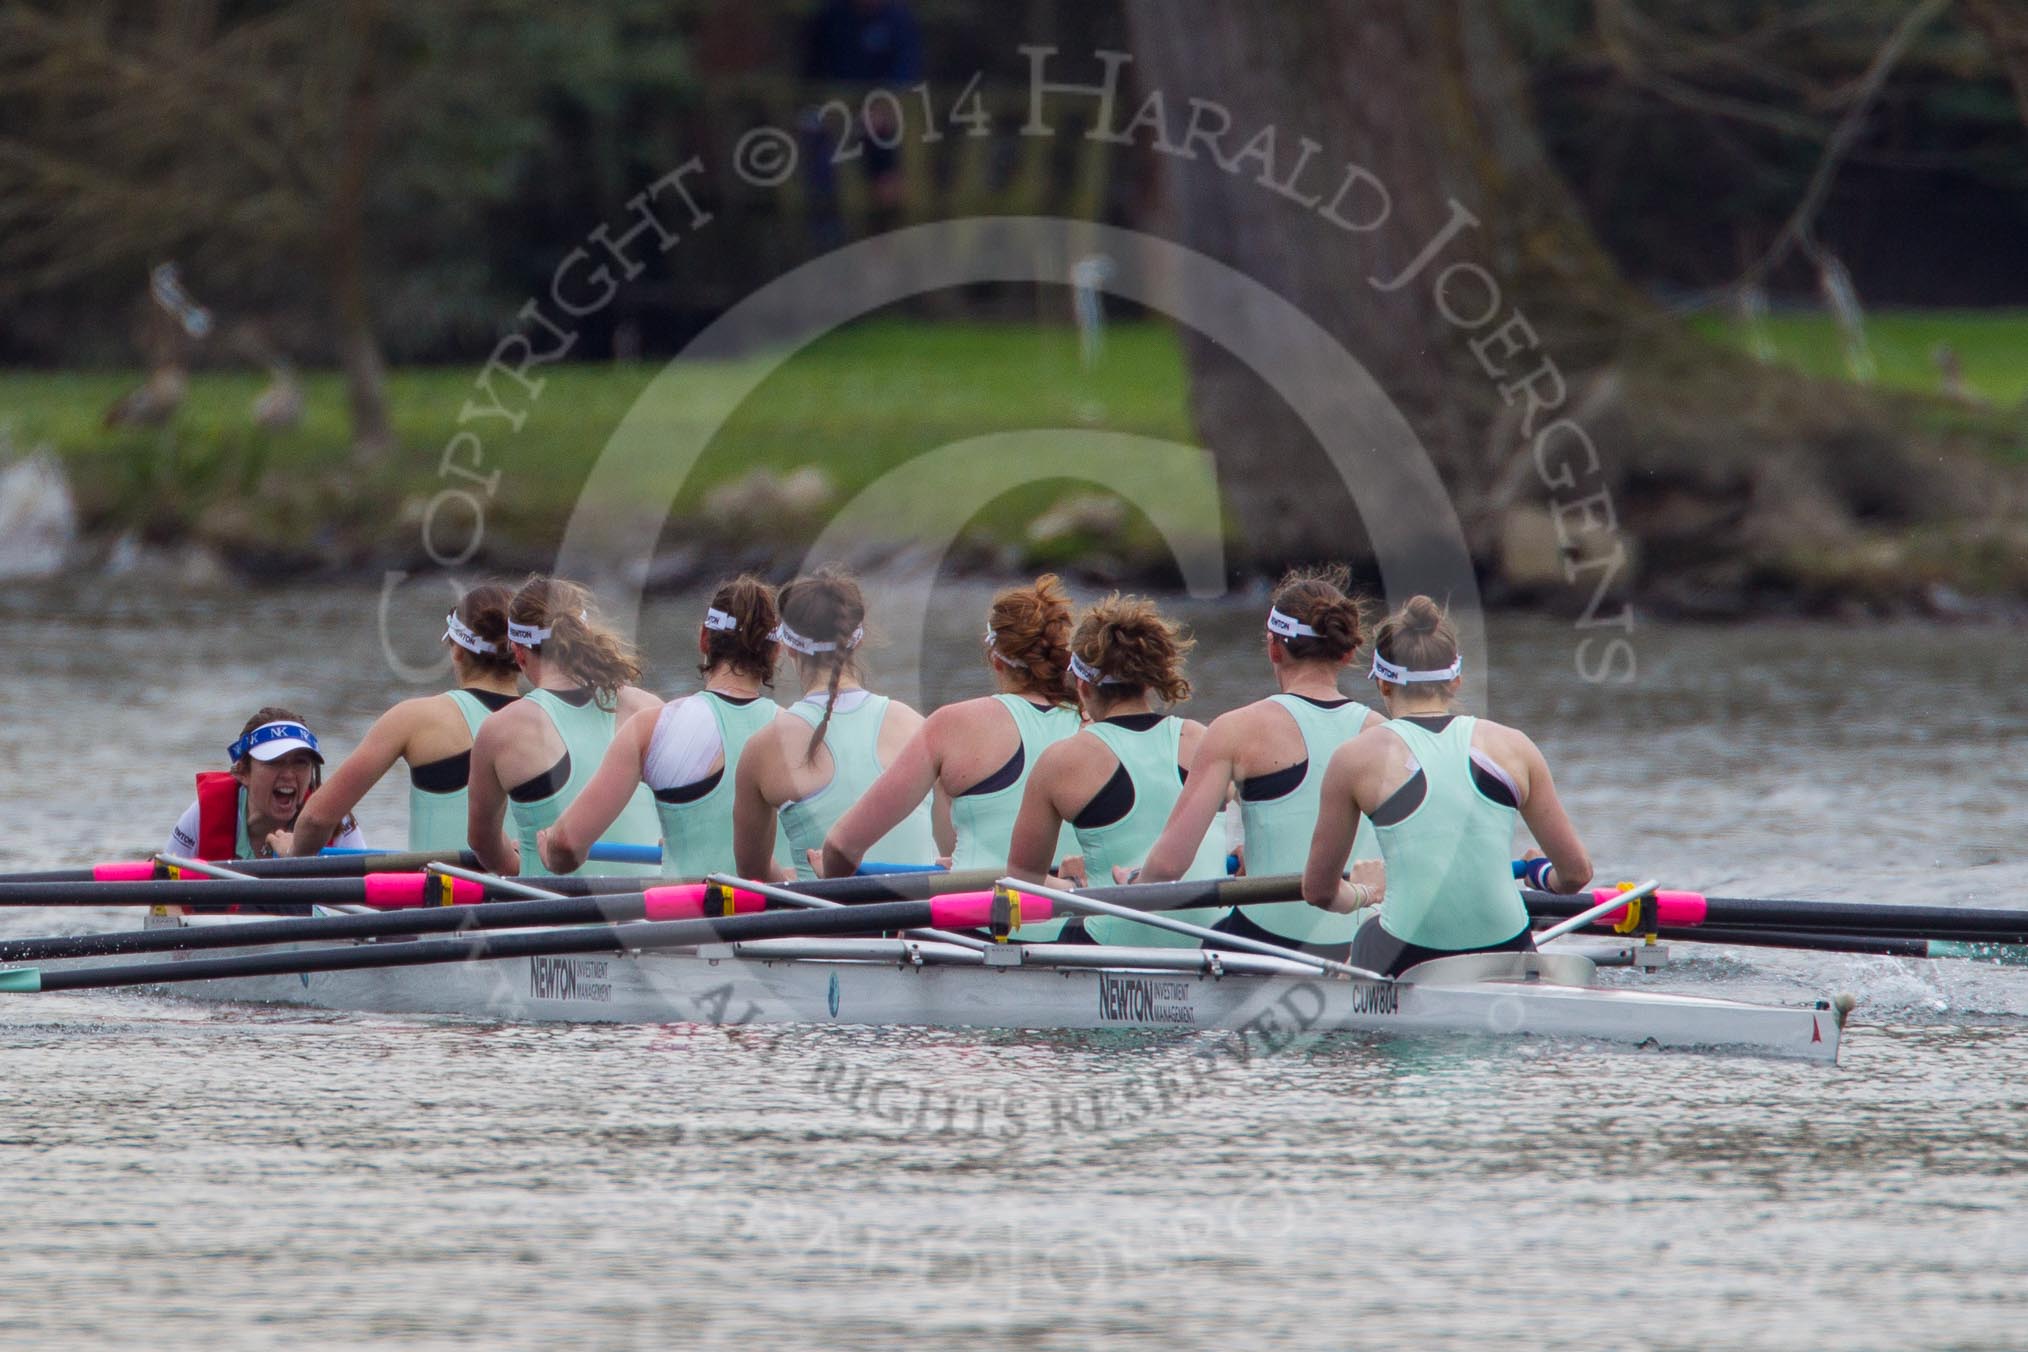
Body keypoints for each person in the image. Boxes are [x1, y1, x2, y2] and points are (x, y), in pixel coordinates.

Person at [1302, 596, 1594, 976]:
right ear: (1456, 680)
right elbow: (1575, 876)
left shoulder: (1354, 758)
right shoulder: (1515, 746)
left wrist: (1364, 893)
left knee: (1364, 935)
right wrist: (1540, 874)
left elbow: (1319, 892)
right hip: (1510, 946)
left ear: (1384, 684)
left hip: (1408, 954)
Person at [1130, 567, 1387, 961]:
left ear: (1273, 648)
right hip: (1362, 948)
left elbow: (1168, 866)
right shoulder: (1385, 734)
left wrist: (1133, 885)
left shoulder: (1236, 730)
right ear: (1348, 652)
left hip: (1266, 946)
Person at [819, 574, 1081, 889]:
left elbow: (841, 847)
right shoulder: (1096, 726)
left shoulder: (953, 725)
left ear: (996, 660)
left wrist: (834, 896)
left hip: (980, 924)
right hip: (1081, 923)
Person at [1007, 595, 1227, 946]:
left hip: (1117, 941)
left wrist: (1074, 885)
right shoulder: (1204, 740)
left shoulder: (1062, 759)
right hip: (1212, 941)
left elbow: (1022, 879)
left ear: (1082, 685)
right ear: (1149, 680)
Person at [539, 577, 782, 879]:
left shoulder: (651, 727)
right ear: (775, 652)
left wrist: (549, 849)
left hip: (684, 922)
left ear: (704, 638)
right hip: (789, 919)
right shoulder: (801, 732)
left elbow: (567, 845)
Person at [732, 567, 936, 882]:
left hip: (822, 924)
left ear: (787, 647)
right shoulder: (917, 725)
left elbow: (753, 875)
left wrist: (792, 874)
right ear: (858, 639)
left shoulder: (764, 746)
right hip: (920, 926)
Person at [286, 584, 522, 856]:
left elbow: (316, 819)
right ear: (520, 653)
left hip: (448, 896)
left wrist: (291, 859)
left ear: (456, 650)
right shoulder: (554, 718)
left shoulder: (415, 719)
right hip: (539, 895)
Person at [467, 578, 662, 877]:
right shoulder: (648, 708)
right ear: (585, 635)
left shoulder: (499, 730)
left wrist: (522, 864)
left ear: (519, 654)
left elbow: (482, 842)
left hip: (550, 914)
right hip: (650, 915)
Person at [168, 707, 366, 862]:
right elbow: (161, 900)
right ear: (243, 773)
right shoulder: (204, 815)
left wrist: (300, 860)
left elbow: (377, 906)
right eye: (274, 762)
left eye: (300, 762)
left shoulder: (335, 820)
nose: (289, 774)